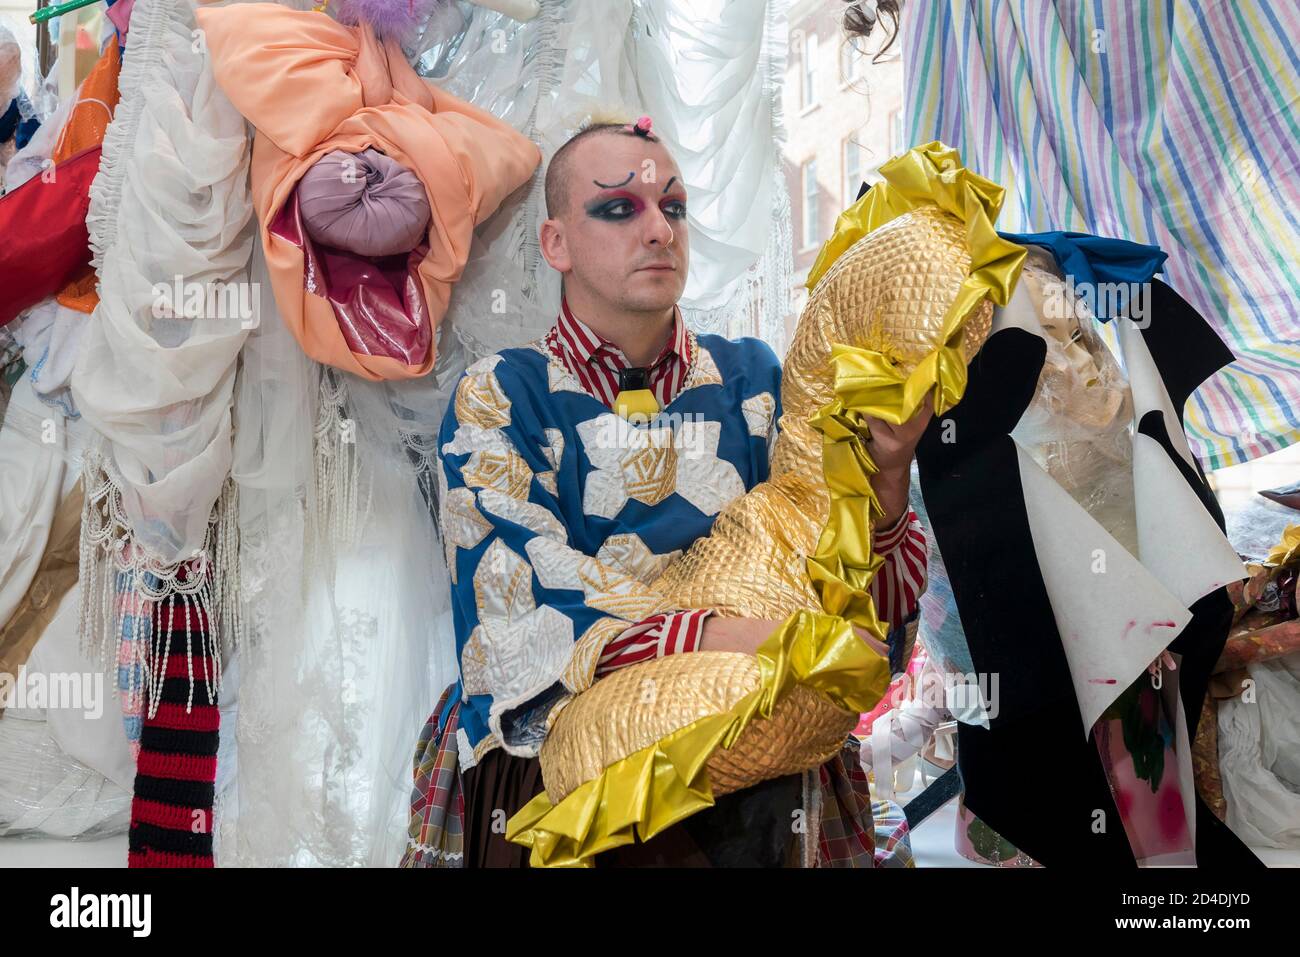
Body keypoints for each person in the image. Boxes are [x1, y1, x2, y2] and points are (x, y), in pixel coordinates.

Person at [400, 115, 931, 868]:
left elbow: (848, 604)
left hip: (770, 762)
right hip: (561, 778)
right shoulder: (501, 394)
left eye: (672, 208)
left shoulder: (757, 381)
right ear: (556, 244)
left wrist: (885, 476)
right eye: (619, 209)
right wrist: (730, 635)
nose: (658, 230)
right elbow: (520, 607)